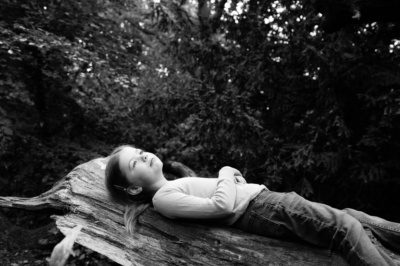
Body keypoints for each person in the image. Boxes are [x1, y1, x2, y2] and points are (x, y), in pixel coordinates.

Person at [105, 145, 400, 266]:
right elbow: (221, 206)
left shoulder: (170, 188)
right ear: (133, 187)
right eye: (135, 162)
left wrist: (231, 180)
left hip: (266, 202)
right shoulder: (162, 198)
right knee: (345, 227)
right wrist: (225, 171)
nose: (144, 157)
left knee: (352, 216)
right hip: (260, 209)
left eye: (142, 152)